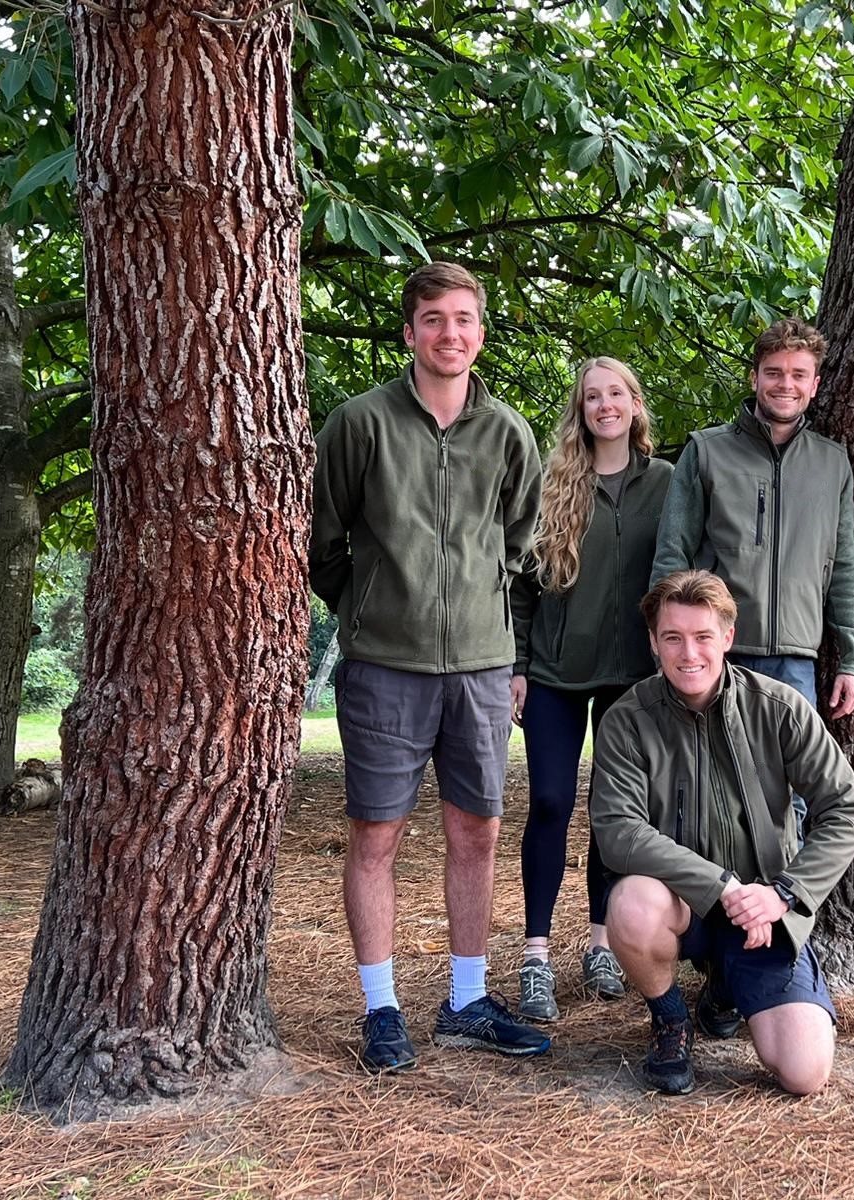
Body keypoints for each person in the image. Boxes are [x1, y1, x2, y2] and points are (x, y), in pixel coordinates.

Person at [309, 262, 550, 1072]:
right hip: (384, 667)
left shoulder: (508, 433)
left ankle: (468, 999)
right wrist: (370, 609)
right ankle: (381, 1010)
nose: (451, 333)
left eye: (465, 319)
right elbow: (323, 544)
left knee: (476, 832)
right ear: (409, 331)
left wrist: (498, 637)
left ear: (481, 332)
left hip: (480, 670)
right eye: (434, 319)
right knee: (376, 835)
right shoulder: (359, 422)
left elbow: (518, 548)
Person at [589, 570, 854, 1096]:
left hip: (763, 910)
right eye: (672, 638)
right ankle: (671, 1020)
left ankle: (724, 991)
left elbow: (846, 810)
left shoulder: (780, 708)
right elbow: (618, 832)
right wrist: (720, 887)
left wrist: (785, 895)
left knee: (805, 1073)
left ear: (728, 639)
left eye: (702, 637)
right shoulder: (627, 720)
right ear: (653, 642)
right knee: (629, 903)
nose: (687, 653)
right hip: (681, 903)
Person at [650, 317, 854, 834]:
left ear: (815, 385)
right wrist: (663, 644)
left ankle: (775, 908)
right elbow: (671, 554)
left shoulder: (832, 463)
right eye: (774, 372)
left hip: (796, 659)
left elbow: (844, 567)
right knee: (707, 783)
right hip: (714, 651)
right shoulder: (707, 450)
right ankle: (712, 905)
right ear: (754, 378)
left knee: (789, 792)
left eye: (798, 375)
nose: (785, 385)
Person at [508, 357, 674, 1022]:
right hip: (552, 670)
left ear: (635, 405)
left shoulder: (667, 483)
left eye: (616, 394)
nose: (604, 405)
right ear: (580, 410)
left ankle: (602, 943)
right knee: (549, 800)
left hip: (632, 676)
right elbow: (520, 585)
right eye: (592, 396)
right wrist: (516, 665)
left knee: (612, 813)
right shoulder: (553, 483)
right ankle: (537, 955)